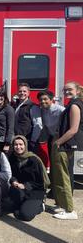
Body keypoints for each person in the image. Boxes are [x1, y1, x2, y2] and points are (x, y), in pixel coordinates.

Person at [52, 82, 83, 220]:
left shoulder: (75, 105)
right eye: (64, 90)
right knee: (60, 175)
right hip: (64, 145)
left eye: (70, 89)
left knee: (64, 177)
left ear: (77, 90)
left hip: (66, 146)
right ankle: (62, 205)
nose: (66, 92)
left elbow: (73, 130)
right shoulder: (72, 104)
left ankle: (70, 210)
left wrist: (58, 142)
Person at [8, 135, 48, 221]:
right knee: (12, 207)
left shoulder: (33, 160)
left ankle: (40, 205)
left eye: (21, 144)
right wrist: (14, 181)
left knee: (25, 215)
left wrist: (25, 185)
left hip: (35, 191)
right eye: (16, 144)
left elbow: (40, 183)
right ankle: (23, 204)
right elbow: (11, 174)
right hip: (20, 189)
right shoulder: (12, 158)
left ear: (25, 145)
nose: (18, 147)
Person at [38, 90, 65, 171]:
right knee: (52, 160)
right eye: (41, 100)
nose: (43, 101)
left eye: (45, 99)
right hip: (51, 138)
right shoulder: (42, 110)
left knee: (60, 162)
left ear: (52, 99)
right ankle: (54, 181)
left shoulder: (61, 110)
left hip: (61, 139)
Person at [13, 83, 42, 150]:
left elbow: (38, 125)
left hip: (28, 141)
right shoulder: (16, 105)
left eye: (24, 91)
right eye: (20, 91)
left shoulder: (33, 106)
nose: (22, 93)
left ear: (28, 93)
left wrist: (33, 141)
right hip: (18, 141)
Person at [0, 87, 15, 153]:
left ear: (5, 97)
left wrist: (7, 143)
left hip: (3, 141)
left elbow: (11, 127)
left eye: (1, 96)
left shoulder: (9, 109)